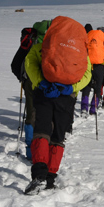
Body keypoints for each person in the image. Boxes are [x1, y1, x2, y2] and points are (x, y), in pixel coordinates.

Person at [22, 17, 91, 194]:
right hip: (66, 98)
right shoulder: (79, 52)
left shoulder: (43, 46)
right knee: (58, 137)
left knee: (42, 132)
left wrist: (41, 83)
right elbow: (86, 74)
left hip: (44, 94)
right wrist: (70, 88)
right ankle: (50, 179)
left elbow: (29, 64)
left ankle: (39, 176)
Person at [10, 21, 50, 159]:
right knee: (47, 115)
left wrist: (23, 78)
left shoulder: (31, 38)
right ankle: (44, 150)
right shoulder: (52, 38)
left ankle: (29, 150)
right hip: (49, 82)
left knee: (31, 113)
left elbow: (15, 64)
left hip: (30, 81)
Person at [80, 25, 104, 116]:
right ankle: (93, 108)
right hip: (99, 66)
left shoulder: (88, 37)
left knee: (86, 86)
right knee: (97, 88)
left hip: (88, 64)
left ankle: (84, 108)